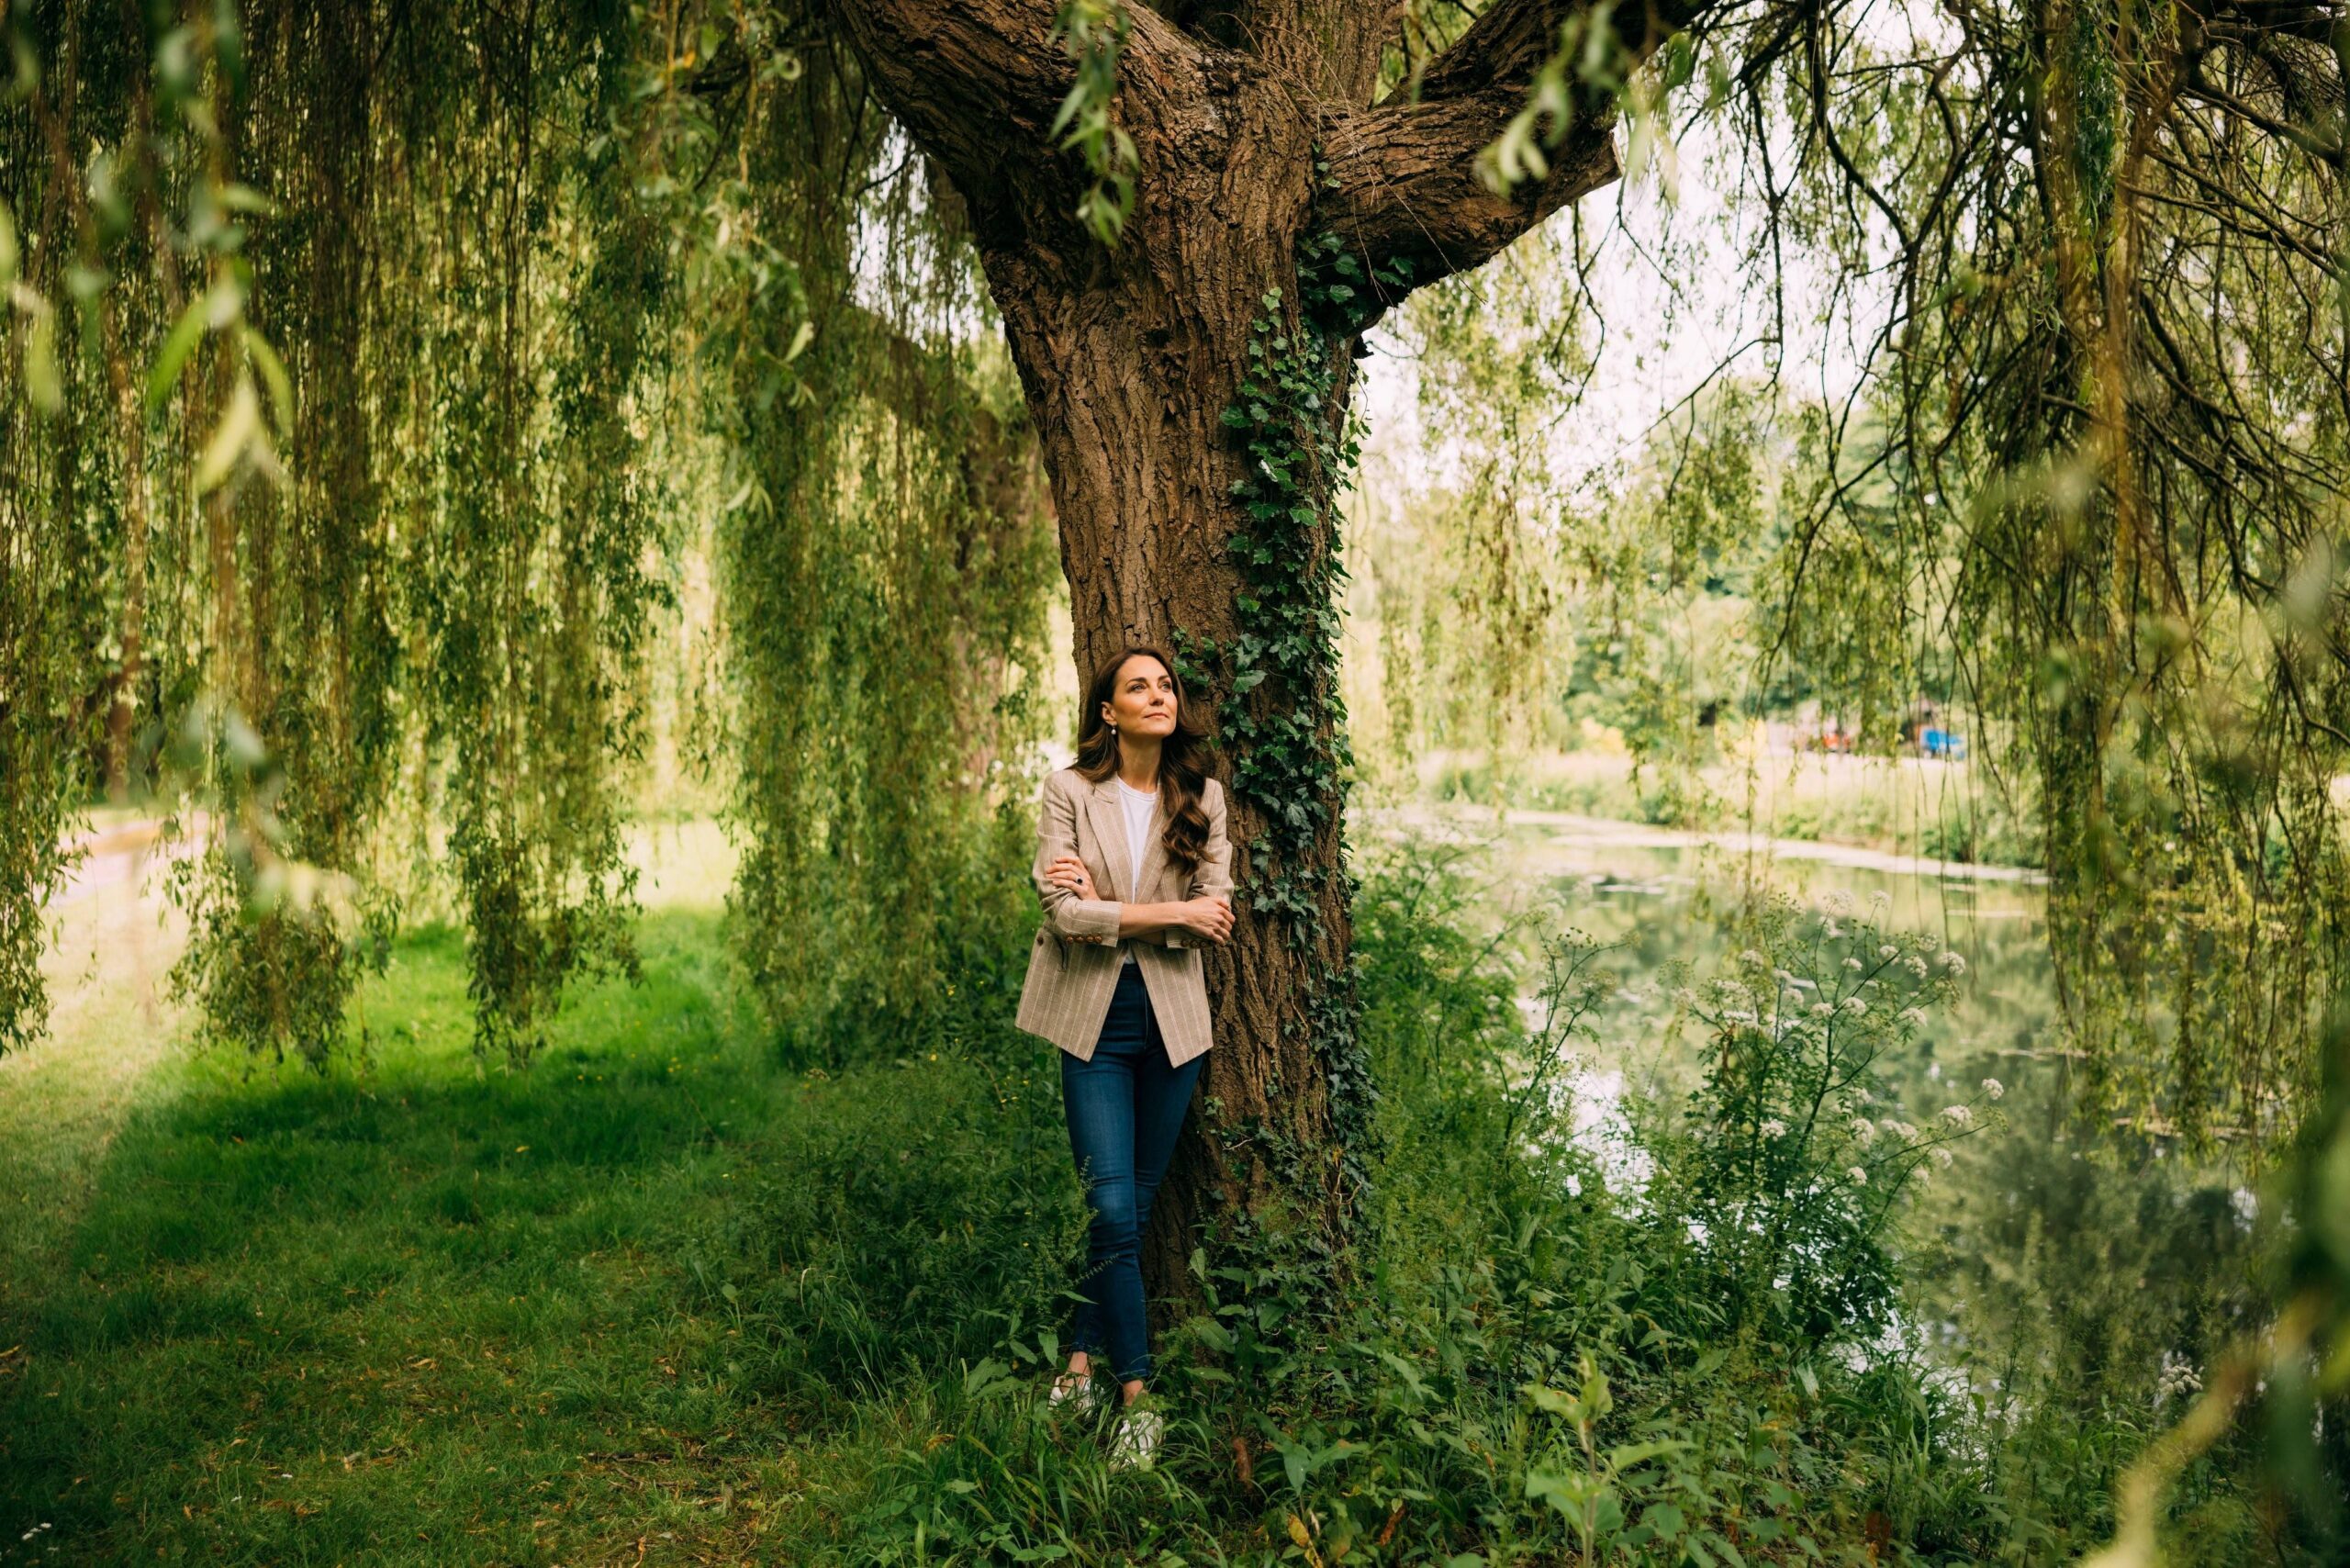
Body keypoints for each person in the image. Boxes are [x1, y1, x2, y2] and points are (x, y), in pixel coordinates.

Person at [1015, 644, 1233, 1471]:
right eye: (1138, 686)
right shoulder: (1070, 790)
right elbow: (1065, 917)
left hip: (1175, 1022)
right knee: (1109, 1207)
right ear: (1108, 710)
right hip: (1092, 1018)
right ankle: (1137, 1396)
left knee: (1130, 1209)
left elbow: (1216, 913)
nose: (1158, 695)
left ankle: (1077, 1364)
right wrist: (1158, 914)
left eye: (1166, 684)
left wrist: (1114, 908)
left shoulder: (1202, 797)